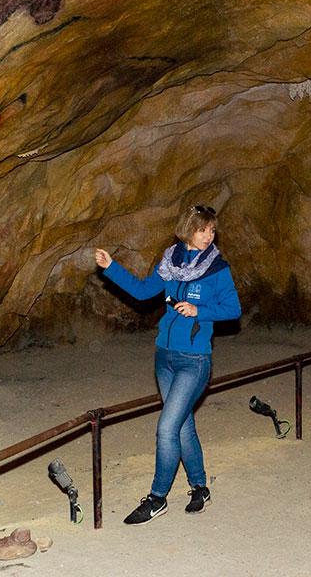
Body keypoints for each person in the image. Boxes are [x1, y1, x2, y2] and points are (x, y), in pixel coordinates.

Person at [94, 205, 242, 525]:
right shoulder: (171, 261)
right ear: (188, 229)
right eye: (203, 230)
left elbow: (233, 308)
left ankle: (158, 497)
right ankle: (200, 487)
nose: (208, 236)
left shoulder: (217, 269)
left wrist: (199, 310)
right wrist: (111, 267)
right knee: (182, 426)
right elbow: (143, 291)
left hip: (195, 360)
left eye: (212, 230)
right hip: (164, 356)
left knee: (165, 428)